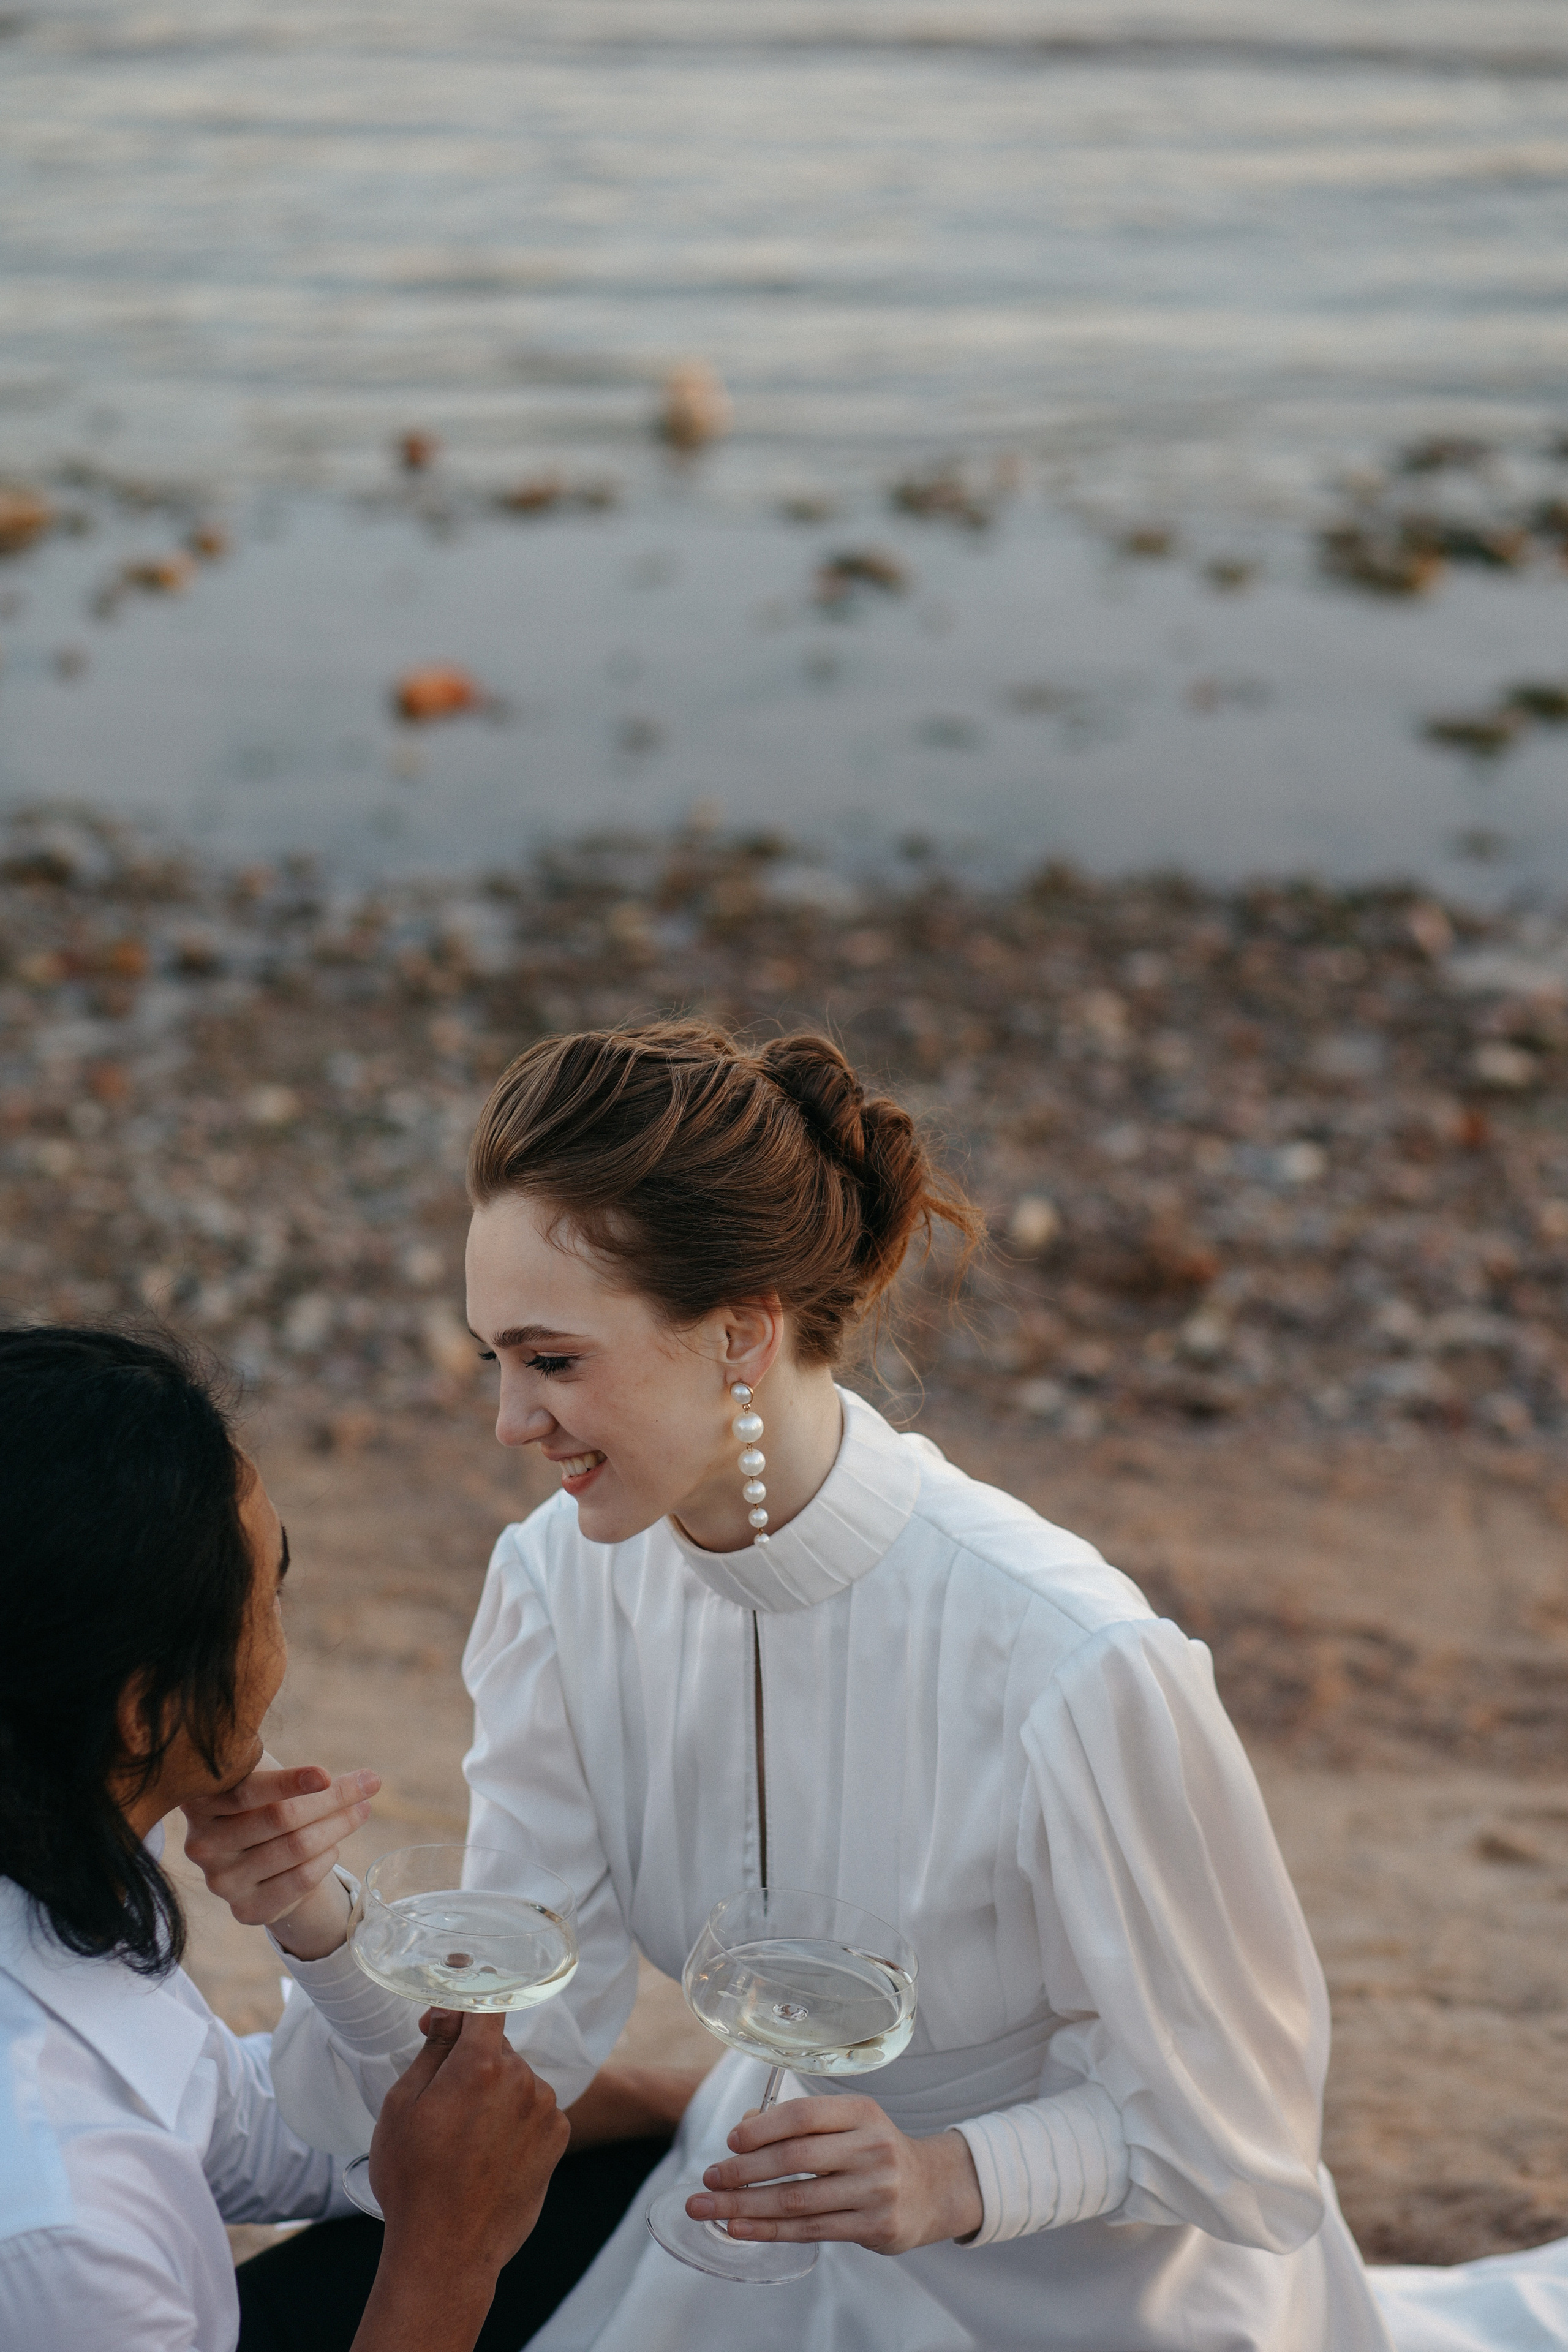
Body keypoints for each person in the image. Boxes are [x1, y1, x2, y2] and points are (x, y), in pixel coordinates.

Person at [194, 1022, 1568, 2351]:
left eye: (553, 1360)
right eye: (496, 1357)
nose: (508, 1419)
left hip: (1094, 2299)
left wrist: (950, 2180)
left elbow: (1245, 2131)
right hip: (762, 2228)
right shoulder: (559, 1586)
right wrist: (318, 1922)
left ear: (738, 1334)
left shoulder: (1071, 1660)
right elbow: (526, 2048)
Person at [0, 1324, 683, 2352]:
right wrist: (445, 2255)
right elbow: (383, 2180)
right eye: (267, 1591)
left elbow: (278, 2131)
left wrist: (691, 2103)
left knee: (639, 2187)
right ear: (142, 1714)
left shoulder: (50, 1883)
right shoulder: (61, 2225)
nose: (280, 1632)